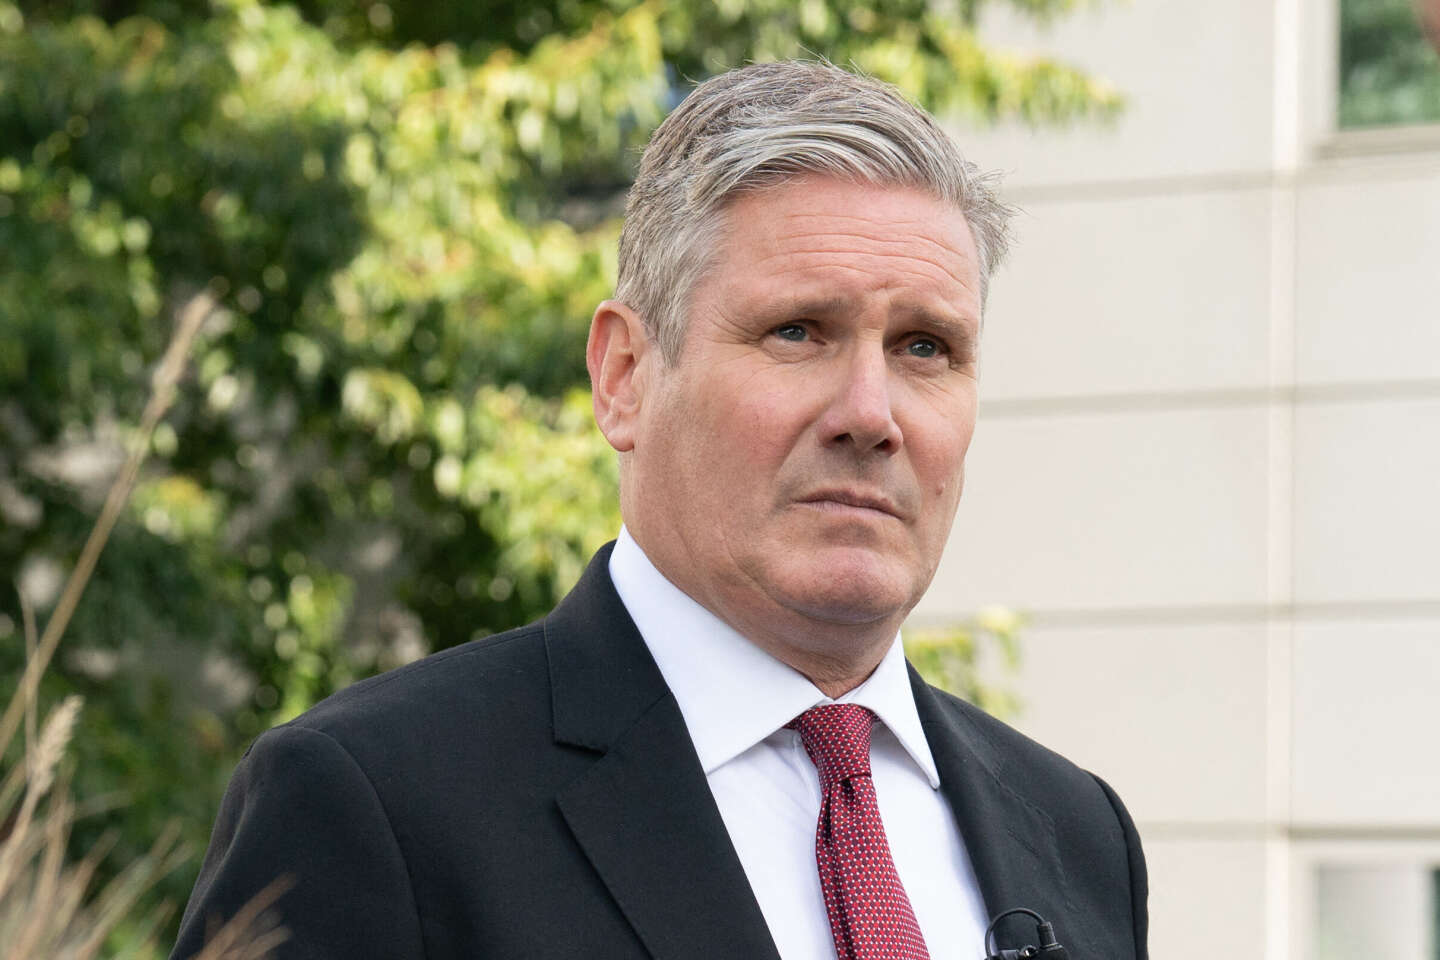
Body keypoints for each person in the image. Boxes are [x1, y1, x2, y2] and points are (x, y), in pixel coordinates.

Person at [172, 61, 1148, 960]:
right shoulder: (376, 802)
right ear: (625, 376)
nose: (870, 414)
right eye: (797, 331)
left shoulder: (1077, 834)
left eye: (925, 348)